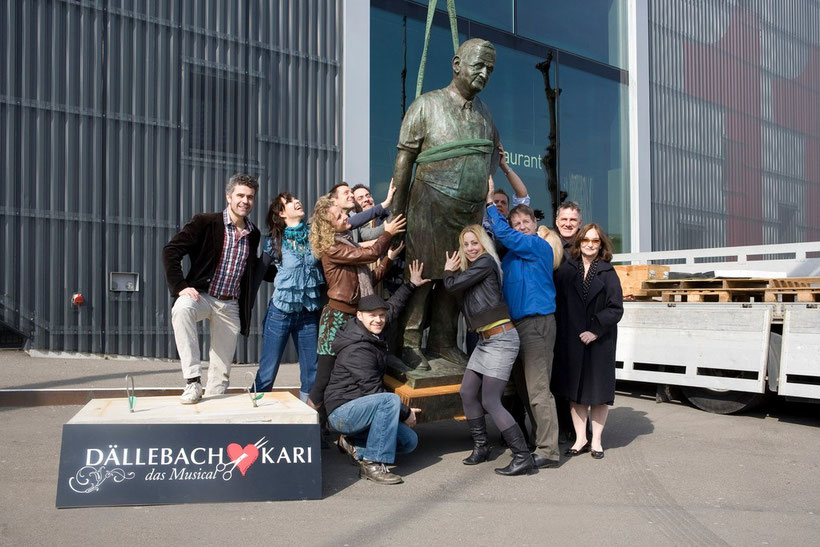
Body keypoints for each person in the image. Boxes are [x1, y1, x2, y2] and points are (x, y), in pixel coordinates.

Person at [389, 38, 500, 371]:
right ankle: (409, 342)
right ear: (457, 65)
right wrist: (398, 212)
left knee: (455, 281)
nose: (484, 73)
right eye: (478, 65)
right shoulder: (426, 105)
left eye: (490, 70)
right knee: (422, 277)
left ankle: (443, 341)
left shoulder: (485, 115)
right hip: (428, 205)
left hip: (467, 214)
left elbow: (490, 157)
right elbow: (404, 161)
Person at [325, 260, 430, 484]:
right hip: (343, 412)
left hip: (361, 408)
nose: (379, 319)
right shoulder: (357, 348)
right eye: (372, 315)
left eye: (381, 315)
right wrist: (405, 413)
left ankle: (352, 443)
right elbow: (373, 391)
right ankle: (372, 464)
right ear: (359, 316)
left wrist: (411, 285)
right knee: (389, 401)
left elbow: (392, 308)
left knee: (408, 441)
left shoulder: (370, 330)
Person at [162, 173, 262, 404]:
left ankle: (214, 406)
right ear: (228, 197)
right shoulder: (205, 222)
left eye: (250, 197)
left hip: (230, 304)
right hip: (203, 296)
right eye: (240, 195)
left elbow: (254, 268)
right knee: (182, 309)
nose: (245, 201)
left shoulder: (253, 234)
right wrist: (180, 286)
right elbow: (171, 251)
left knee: (221, 369)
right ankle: (192, 381)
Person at [443, 225, 533, 476]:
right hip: (485, 341)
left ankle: (522, 455)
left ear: (483, 244)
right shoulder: (474, 268)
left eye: (475, 243)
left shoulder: (485, 262)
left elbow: (451, 286)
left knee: (491, 400)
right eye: (466, 245)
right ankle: (482, 447)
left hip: (501, 339)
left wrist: (448, 271)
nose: (471, 248)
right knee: (467, 392)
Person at [485, 176, 560, 469]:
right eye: (516, 224)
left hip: (537, 324)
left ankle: (549, 450)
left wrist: (491, 202)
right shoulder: (513, 258)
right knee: (526, 388)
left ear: (534, 225)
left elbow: (505, 236)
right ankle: (538, 441)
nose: (520, 227)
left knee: (539, 389)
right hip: (517, 327)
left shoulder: (536, 246)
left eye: (525, 222)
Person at [306, 196, 407, 409]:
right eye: (339, 216)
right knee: (323, 379)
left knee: (350, 377)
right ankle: (311, 432)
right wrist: (387, 233)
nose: (346, 217)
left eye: (344, 213)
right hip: (336, 321)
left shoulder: (346, 242)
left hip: (354, 318)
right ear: (328, 225)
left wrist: (388, 258)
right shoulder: (332, 248)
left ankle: (339, 430)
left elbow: (367, 281)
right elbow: (370, 254)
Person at [553, 223, 624, 460]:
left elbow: (616, 309)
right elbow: (558, 302)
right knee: (576, 392)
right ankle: (580, 438)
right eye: (586, 240)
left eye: (595, 241)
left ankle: (596, 441)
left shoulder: (607, 271)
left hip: (599, 341)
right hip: (572, 339)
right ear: (579, 242)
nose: (590, 245)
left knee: (599, 393)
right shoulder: (567, 269)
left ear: (601, 244)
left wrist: (595, 330)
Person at [251, 192, 324, 401]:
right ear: (282, 213)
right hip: (280, 313)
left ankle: (307, 422)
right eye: (290, 201)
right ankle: (254, 417)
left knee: (312, 372)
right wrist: (245, 308)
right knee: (267, 372)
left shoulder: (314, 236)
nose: (297, 201)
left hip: (307, 314)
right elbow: (260, 272)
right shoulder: (274, 241)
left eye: (296, 199)